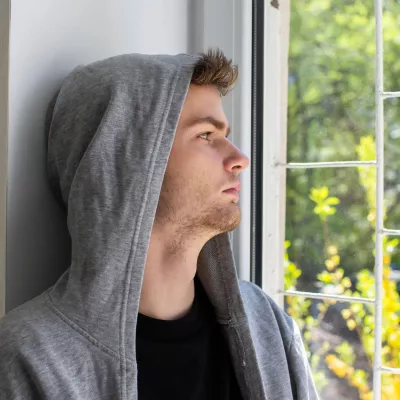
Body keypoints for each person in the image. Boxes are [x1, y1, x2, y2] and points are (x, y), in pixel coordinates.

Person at [0, 49, 319, 400]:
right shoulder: (31, 355)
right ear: (127, 162)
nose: (239, 158)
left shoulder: (265, 323)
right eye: (205, 136)